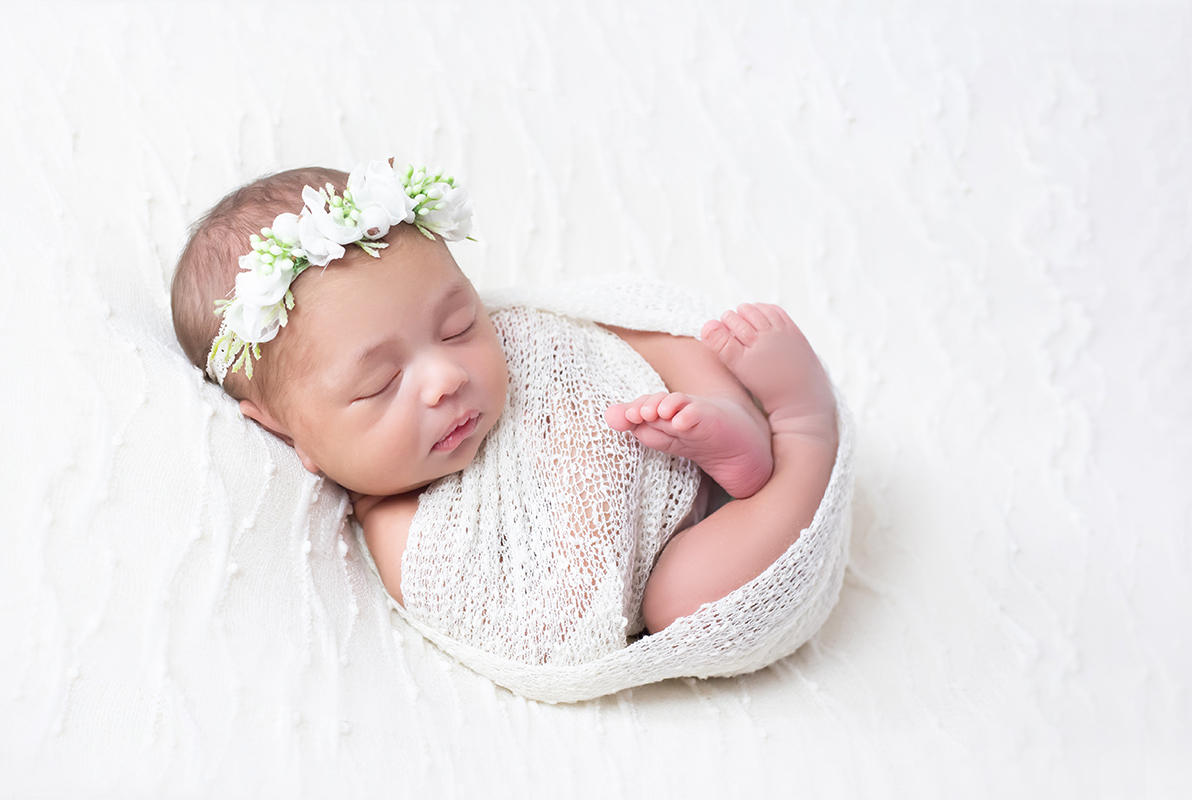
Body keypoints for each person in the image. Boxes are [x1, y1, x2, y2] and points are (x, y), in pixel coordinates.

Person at [171, 159, 838, 652]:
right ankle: (804, 429)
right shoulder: (402, 531)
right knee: (683, 601)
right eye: (380, 384)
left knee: (661, 343)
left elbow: (605, 328)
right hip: (670, 551)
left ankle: (739, 425)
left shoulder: (516, 336)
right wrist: (584, 470)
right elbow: (553, 627)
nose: (444, 378)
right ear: (289, 434)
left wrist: (689, 380)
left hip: (661, 415)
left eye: (458, 325)